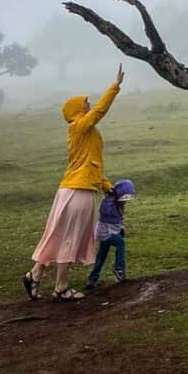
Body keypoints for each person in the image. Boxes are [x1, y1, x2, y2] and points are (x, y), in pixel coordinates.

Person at [22, 64, 124, 302]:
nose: (88, 106)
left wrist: (106, 186)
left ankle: (34, 275)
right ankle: (61, 286)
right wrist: (115, 86)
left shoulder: (84, 132)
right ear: (77, 110)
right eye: (84, 104)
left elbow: (91, 163)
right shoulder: (79, 126)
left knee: (57, 235)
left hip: (71, 189)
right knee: (69, 238)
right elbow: (99, 111)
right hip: (78, 192)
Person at [86, 179, 136, 289]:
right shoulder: (109, 203)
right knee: (120, 243)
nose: (125, 201)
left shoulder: (119, 205)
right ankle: (119, 268)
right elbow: (107, 212)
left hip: (110, 231)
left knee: (101, 256)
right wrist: (111, 197)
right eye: (124, 198)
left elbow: (118, 219)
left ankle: (92, 279)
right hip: (105, 233)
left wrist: (121, 228)